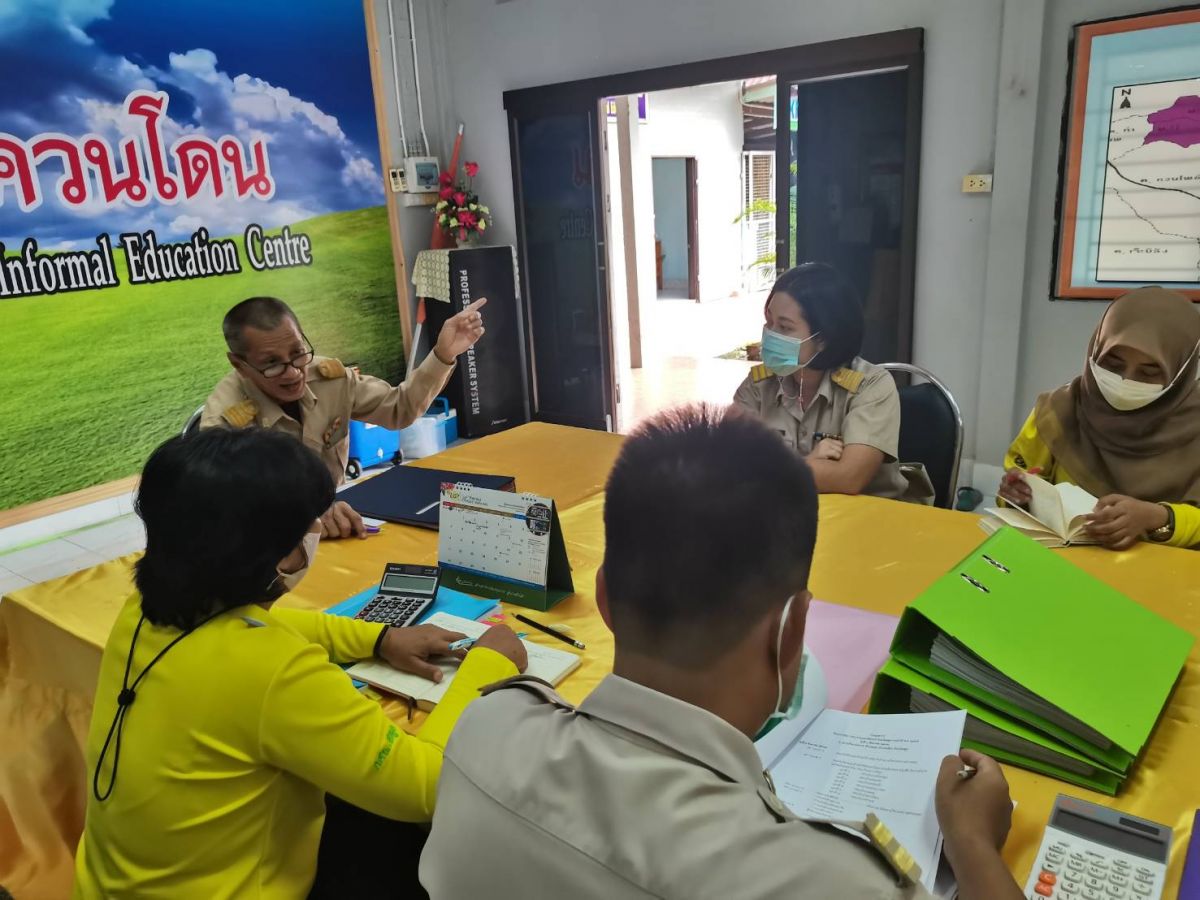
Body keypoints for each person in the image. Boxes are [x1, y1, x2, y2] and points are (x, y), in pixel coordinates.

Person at [419, 404, 1022, 900]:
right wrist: (973, 845)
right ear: (792, 630)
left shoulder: (484, 727)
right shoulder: (834, 883)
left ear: (604, 599)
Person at [73, 427, 527, 899]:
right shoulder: (277, 671)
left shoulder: (143, 612)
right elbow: (425, 789)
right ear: (281, 555)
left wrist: (381, 638)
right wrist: (488, 666)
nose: (318, 530)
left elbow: (271, 628)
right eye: (311, 522)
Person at [201, 295, 486, 539]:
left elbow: (399, 408)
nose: (293, 372)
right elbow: (231, 509)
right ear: (239, 364)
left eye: (298, 353)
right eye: (271, 364)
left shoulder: (329, 378)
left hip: (337, 519)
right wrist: (305, 517)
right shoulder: (225, 423)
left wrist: (443, 353)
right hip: (275, 539)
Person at [999, 286, 1200, 550]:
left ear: (1181, 372)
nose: (1125, 380)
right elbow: (1020, 483)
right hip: (1064, 560)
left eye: (1149, 372)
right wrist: (1017, 495)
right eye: (1113, 364)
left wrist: (1156, 518)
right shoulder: (1058, 410)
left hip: (1162, 569)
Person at [733, 263, 933, 503]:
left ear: (823, 339)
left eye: (785, 327)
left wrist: (772, 471)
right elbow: (728, 465)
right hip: (791, 512)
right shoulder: (758, 386)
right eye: (769, 322)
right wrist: (805, 465)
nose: (770, 334)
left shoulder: (870, 386)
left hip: (869, 515)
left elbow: (849, 477)